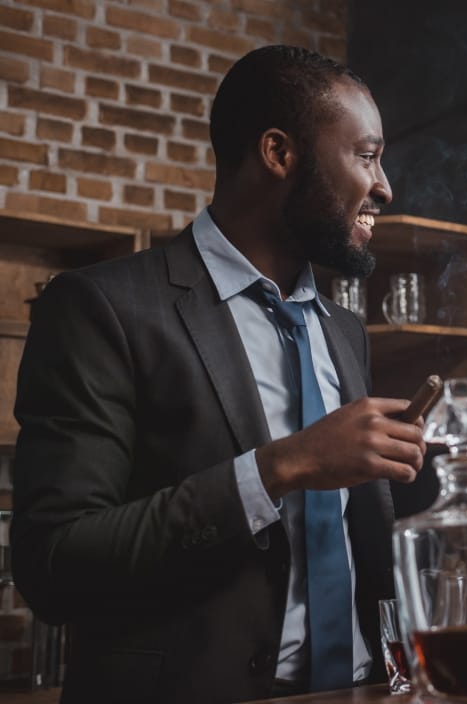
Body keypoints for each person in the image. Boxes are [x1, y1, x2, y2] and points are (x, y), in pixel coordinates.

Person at [12, 46, 428, 702]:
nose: (385, 187)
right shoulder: (102, 308)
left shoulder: (343, 330)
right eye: (367, 156)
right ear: (278, 154)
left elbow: (351, 547)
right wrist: (278, 468)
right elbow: (54, 564)